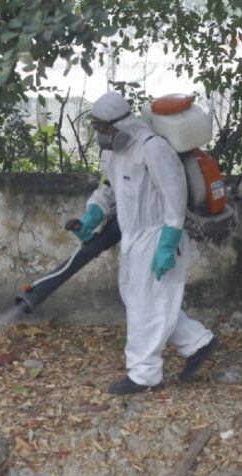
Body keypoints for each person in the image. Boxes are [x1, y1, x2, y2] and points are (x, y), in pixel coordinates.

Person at [75, 91, 219, 395]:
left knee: (146, 306)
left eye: (103, 127)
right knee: (139, 299)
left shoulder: (154, 149)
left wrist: (168, 243)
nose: (100, 134)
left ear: (120, 123)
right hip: (133, 237)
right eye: (97, 127)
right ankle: (198, 343)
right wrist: (93, 213)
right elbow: (109, 189)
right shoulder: (113, 152)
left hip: (159, 235)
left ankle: (144, 375)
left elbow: (174, 197)